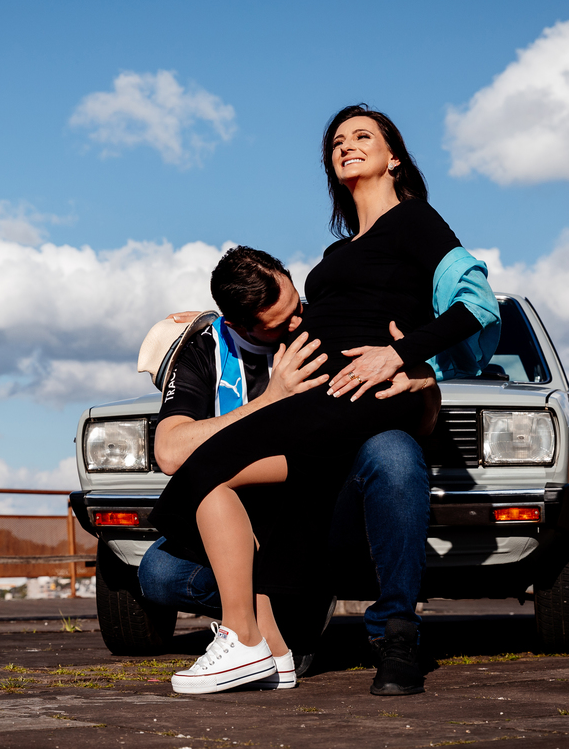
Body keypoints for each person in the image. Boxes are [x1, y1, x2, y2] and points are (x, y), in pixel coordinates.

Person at [149, 105, 499, 696]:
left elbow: (477, 306)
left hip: (363, 392)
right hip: (328, 398)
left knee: (207, 472)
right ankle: (274, 651)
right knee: (251, 494)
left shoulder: (414, 219)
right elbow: (299, 320)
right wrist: (210, 319)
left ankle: (244, 641)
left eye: (363, 136)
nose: (346, 145)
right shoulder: (337, 255)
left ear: (394, 157)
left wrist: (402, 357)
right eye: (337, 141)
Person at [137, 245, 439, 691]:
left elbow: (415, 421)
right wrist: (270, 400)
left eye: (297, 305)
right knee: (158, 572)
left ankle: (385, 630)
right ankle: (274, 626)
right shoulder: (205, 349)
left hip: (325, 513)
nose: (298, 323)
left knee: (394, 449)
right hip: (249, 523)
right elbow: (169, 452)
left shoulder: (330, 321)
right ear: (237, 325)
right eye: (280, 324)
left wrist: (426, 383)